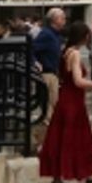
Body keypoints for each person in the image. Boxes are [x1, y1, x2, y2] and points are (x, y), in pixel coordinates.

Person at [40, 21, 92, 183]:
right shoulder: (76, 54)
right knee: (77, 138)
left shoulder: (66, 51)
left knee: (65, 138)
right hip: (73, 101)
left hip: (66, 99)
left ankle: (76, 175)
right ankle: (85, 173)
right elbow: (78, 81)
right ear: (84, 36)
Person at [31, 8, 67, 149]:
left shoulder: (56, 35)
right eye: (62, 18)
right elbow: (31, 49)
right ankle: (43, 144)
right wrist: (35, 62)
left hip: (54, 74)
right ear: (54, 20)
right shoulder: (46, 34)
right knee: (48, 110)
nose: (64, 20)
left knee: (53, 109)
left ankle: (48, 143)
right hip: (46, 74)